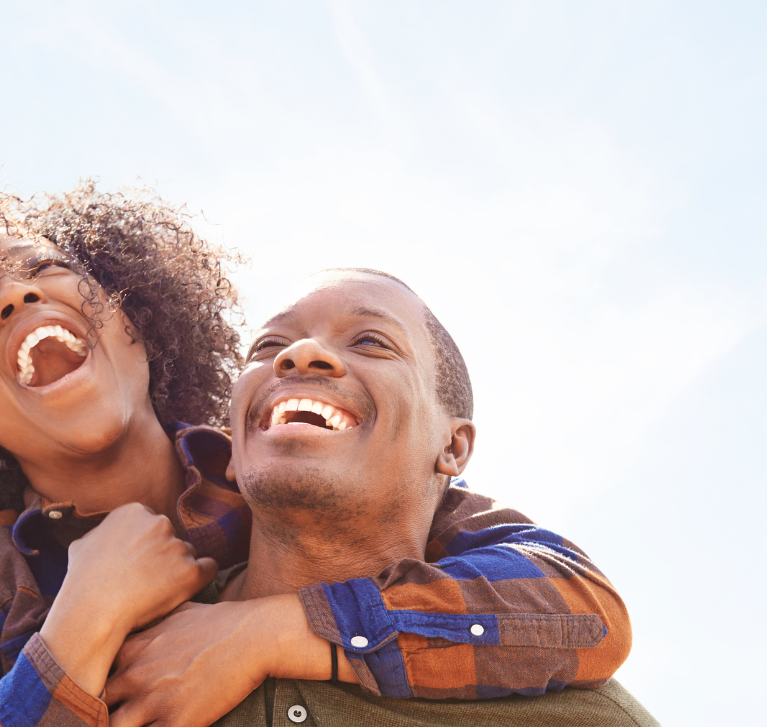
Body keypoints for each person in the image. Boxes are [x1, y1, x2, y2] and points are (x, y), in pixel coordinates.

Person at [0, 179, 631, 727]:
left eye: (46, 272)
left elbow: (575, 608)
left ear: (136, 320)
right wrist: (82, 623)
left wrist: (270, 632)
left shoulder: (295, 468)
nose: (16, 298)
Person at [106, 268, 654, 726]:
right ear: (233, 448)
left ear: (453, 447)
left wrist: (279, 630)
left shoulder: (574, 707)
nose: (297, 354)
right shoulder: (112, 646)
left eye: (371, 341)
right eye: (268, 345)